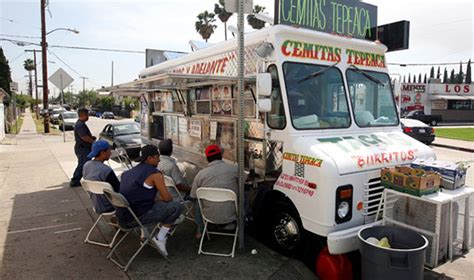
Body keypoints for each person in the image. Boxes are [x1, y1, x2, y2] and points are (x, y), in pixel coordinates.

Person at [117, 145, 184, 257]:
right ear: (149, 158)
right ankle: (160, 238)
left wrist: (157, 199)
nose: (159, 160)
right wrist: (160, 199)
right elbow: (168, 198)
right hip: (136, 218)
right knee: (176, 207)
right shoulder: (155, 174)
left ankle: (146, 235)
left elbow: (137, 195)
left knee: (157, 204)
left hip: (123, 217)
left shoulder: (127, 173)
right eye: (157, 157)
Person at [190, 144, 241, 238]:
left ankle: (201, 229)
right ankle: (242, 224)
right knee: (243, 193)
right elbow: (245, 180)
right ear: (220, 156)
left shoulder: (200, 175)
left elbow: (193, 196)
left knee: (197, 200)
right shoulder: (234, 169)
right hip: (231, 215)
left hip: (208, 216)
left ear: (207, 159)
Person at [82, 140, 120, 214]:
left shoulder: (87, 165)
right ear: (103, 153)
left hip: (96, 204)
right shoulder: (106, 170)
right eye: (109, 150)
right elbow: (118, 189)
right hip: (110, 205)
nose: (110, 152)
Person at [70, 108, 96, 187]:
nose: (88, 117)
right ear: (83, 115)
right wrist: (93, 142)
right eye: (87, 115)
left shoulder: (81, 124)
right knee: (82, 165)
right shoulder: (80, 125)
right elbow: (84, 137)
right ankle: (75, 180)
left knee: (85, 164)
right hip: (82, 149)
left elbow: (86, 136)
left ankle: (84, 179)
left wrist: (91, 137)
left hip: (84, 148)